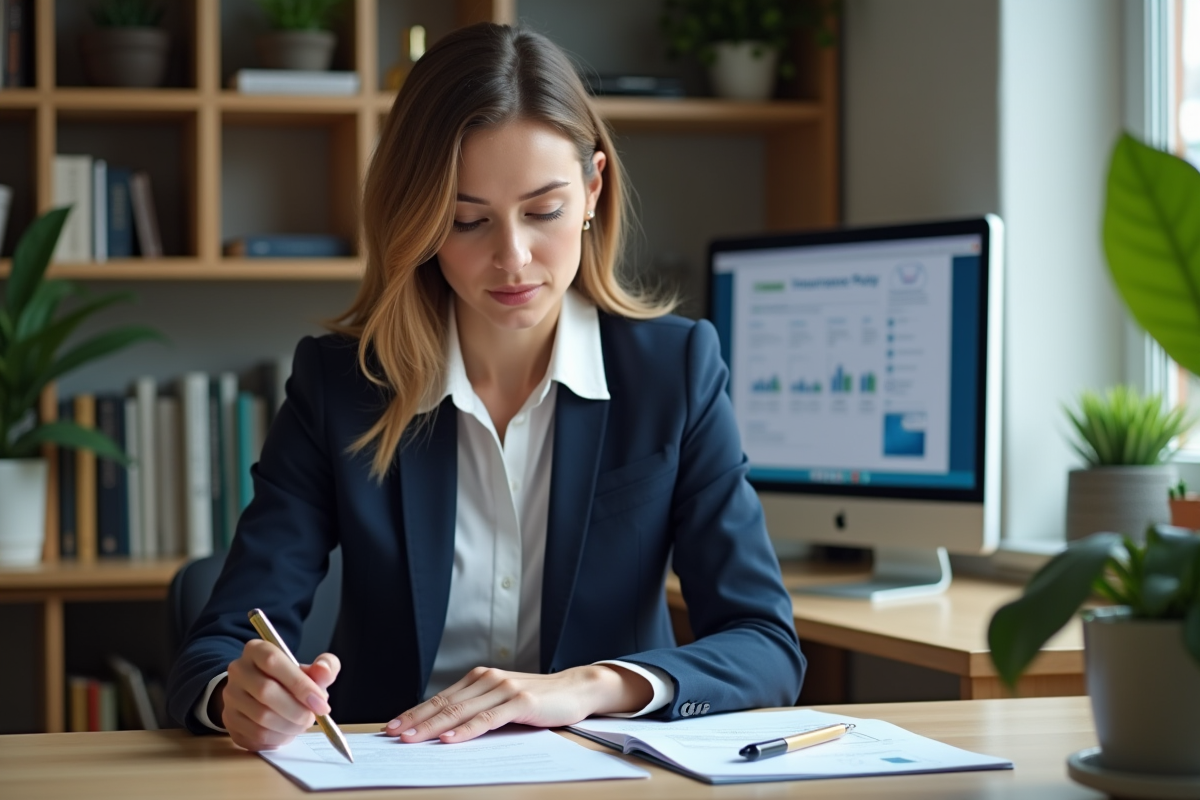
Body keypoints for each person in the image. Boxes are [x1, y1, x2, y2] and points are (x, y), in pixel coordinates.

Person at [167, 22, 804, 753]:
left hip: (601, 772)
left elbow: (764, 645)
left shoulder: (676, 373)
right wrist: (239, 696)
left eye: (544, 211)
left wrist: (584, 687)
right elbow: (215, 649)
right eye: (467, 220)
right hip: (391, 771)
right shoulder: (341, 385)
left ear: (593, 188)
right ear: (421, 220)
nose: (513, 258)